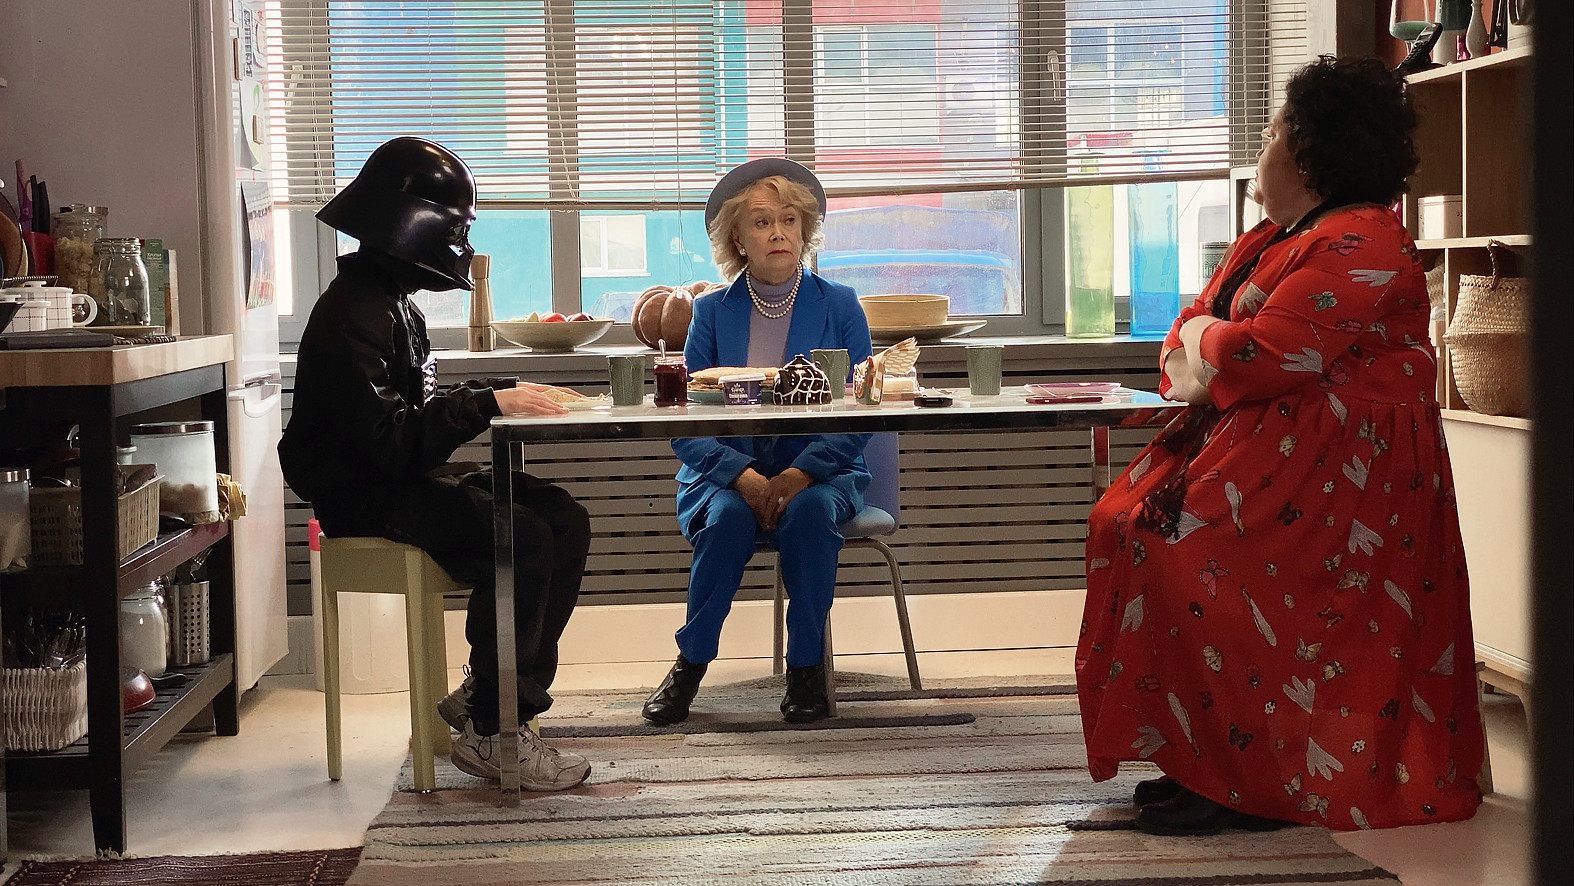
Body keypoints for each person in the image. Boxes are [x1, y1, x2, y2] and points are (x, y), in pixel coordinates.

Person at [1076, 56, 1484, 835]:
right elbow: (1183, 343)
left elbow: (1265, 357)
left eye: (1270, 132)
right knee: (1125, 524)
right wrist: (1207, 344)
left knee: (1188, 550)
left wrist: (1208, 344)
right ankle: (1198, 761)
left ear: (1308, 153)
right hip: (1264, 447)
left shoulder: (1364, 237)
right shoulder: (1270, 237)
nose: (1260, 147)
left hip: (1341, 473)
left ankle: (1247, 782)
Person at [279, 136, 593, 790]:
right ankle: (495, 730)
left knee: (563, 516)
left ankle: (489, 692)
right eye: (456, 231)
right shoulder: (352, 316)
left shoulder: (391, 302)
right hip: (362, 497)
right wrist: (486, 403)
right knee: (522, 537)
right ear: (411, 227)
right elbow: (393, 444)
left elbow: (411, 421)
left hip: (400, 482)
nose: (463, 246)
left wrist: (502, 393)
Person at [640, 158, 873, 725]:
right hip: (725, 473)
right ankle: (690, 664)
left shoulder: (841, 303)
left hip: (821, 472)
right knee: (727, 520)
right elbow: (684, 418)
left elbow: (865, 408)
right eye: (762, 222)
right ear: (738, 239)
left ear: (804, 230)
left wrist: (800, 473)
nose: (777, 233)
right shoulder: (709, 311)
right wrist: (741, 476)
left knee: (810, 515)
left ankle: (807, 669)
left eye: (788, 220)